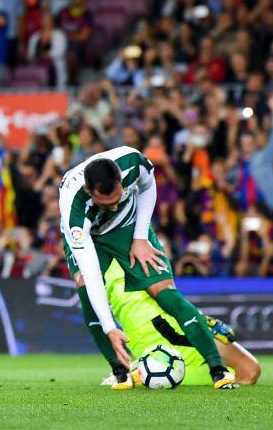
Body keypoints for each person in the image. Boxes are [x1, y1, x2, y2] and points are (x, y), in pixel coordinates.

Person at [59, 146, 238, 389]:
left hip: (129, 226)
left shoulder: (132, 161)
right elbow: (92, 275)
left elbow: (148, 186)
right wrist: (110, 327)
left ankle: (218, 370)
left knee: (164, 292)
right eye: (106, 203)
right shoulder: (74, 215)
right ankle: (120, 370)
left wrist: (140, 236)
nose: (113, 207)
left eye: (117, 198)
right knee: (85, 289)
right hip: (92, 237)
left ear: (121, 180)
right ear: (89, 191)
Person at [102, 261, 261, 386]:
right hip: (162, 327)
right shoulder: (128, 237)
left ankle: (147, 371)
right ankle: (144, 373)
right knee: (248, 372)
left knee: (246, 371)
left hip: (148, 327)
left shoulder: (99, 246)